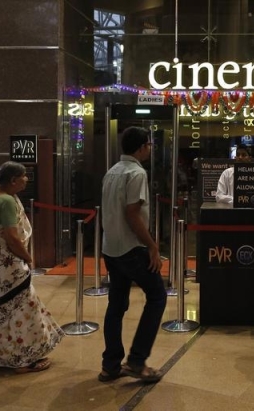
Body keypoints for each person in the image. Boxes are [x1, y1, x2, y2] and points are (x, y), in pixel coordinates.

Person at [0, 161, 64, 373]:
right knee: (23, 311)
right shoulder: (6, 201)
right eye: (24, 176)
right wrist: (27, 257)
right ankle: (23, 361)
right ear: (13, 180)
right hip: (9, 269)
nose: (27, 179)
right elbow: (12, 238)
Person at [99, 126, 167, 383]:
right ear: (140, 148)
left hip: (111, 249)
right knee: (157, 296)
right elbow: (132, 213)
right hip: (132, 249)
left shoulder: (111, 172)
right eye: (148, 145)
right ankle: (137, 360)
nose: (150, 149)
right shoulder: (136, 173)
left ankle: (110, 365)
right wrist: (151, 245)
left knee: (116, 305)